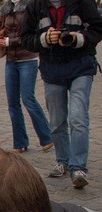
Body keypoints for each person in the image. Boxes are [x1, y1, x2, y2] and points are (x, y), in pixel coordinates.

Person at [20, 0, 102, 188]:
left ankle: (78, 167)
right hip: (52, 70)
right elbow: (26, 38)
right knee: (57, 121)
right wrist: (45, 39)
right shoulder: (36, 5)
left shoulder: (83, 2)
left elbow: (98, 28)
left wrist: (77, 38)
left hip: (81, 66)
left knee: (78, 118)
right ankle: (63, 161)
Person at [0, 0, 53, 154]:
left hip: (28, 58)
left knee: (28, 99)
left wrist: (8, 41)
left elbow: (30, 35)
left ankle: (47, 137)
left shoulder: (29, 7)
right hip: (11, 60)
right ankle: (20, 142)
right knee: (12, 103)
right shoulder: (7, 8)